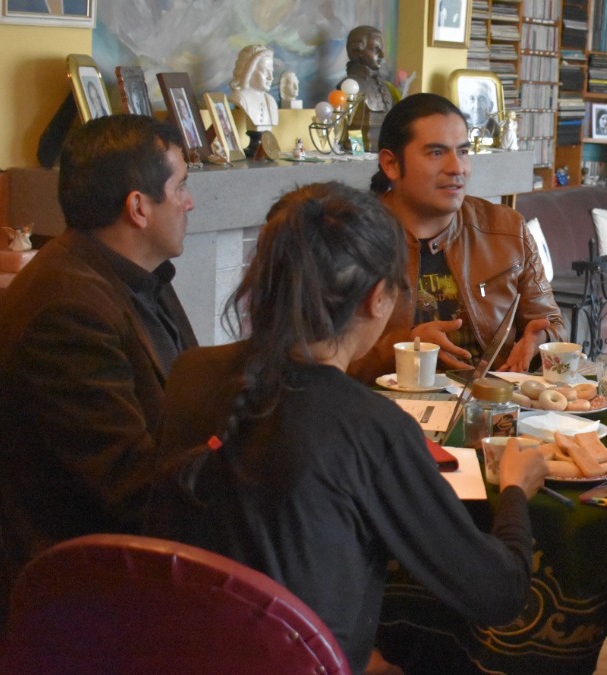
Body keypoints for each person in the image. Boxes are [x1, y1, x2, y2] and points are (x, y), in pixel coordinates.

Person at [149, 181, 549, 674]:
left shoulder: (189, 374)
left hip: (182, 653)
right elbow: (498, 593)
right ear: (379, 298)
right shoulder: (371, 427)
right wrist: (514, 490)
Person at [0, 115, 198, 622]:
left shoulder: (133, 273)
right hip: (86, 589)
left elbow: (191, 398)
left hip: (144, 542)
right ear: (138, 208)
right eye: (180, 187)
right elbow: (128, 485)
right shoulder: (66, 310)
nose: (189, 202)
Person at [348, 93, 565, 380]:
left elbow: (551, 323)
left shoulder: (506, 228)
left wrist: (539, 341)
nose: (457, 168)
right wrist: (406, 346)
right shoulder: (349, 239)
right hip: (384, 412)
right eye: (436, 153)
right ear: (391, 164)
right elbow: (319, 361)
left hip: (490, 404)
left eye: (462, 152)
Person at [229, 44, 278, 129]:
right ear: (249, 71)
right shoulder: (239, 98)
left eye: (271, 71)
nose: (271, 77)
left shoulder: (271, 101)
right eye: (265, 71)